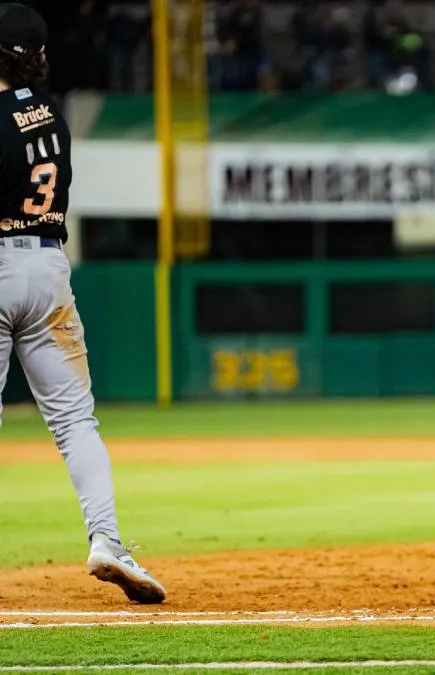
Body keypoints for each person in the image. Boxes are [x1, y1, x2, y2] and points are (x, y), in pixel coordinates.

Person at [0, 3, 165, 604]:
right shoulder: (54, 119)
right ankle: (106, 540)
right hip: (47, 267)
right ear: (30, 55)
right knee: (74, 422)